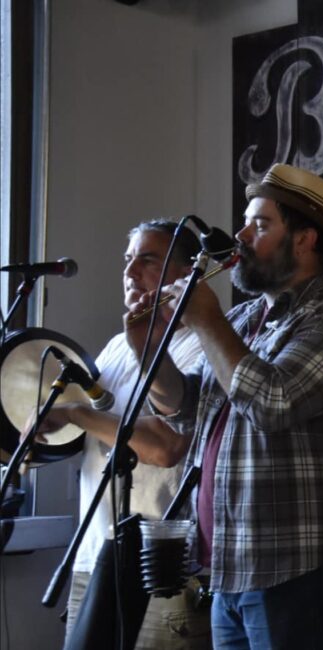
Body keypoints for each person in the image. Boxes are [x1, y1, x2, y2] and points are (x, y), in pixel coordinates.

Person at [125, 164, 323, 649]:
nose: (239, 236)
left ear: (304, 240)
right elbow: (187, 413)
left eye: (260, 225)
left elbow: (273, 403)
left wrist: (206, 318)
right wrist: (149, 350)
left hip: (294, 567)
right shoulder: (242, 319)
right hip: (231, 565)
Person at [39, 219, 210, 648]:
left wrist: (76, 412)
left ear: (189, 274)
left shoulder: (204, 344)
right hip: (96, 553)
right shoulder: (118, 345)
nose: (131, 273)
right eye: (127, 261)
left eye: (148, 260)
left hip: (161, 566)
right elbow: (100, 437)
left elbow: (164, 445)